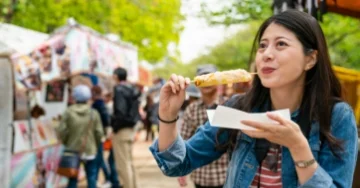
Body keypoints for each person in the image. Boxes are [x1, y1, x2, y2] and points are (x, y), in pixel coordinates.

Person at [149, 10, 358, 188]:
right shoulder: (238, 107)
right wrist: (167, 116)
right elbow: (178, 164)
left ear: (310, 59)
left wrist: (298, 146)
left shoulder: (336, 116)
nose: (266, 54)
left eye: (281, 44)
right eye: (263, 46)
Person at [177, 65, 228, 188]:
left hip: (225, 175)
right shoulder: (191, 109)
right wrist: (181, 170)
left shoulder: (229, 105)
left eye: (210, 78)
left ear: (218, 82)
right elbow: (184, 141)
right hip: (200, 176)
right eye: (203, 78)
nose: (207, 82)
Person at [57, 85, 104, 188]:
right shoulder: (93, 113)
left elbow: (61, 130)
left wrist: (67, 142)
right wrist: (94, 146)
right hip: (90, 150)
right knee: (91, 178)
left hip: (72, 149)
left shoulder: (68, 112)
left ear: (74, 97)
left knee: (72, 178)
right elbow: (99, 133)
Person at [111, 67, 141, 188]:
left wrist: (115, 127)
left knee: (123, 165)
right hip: (131, 129)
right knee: (129, 162)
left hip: (122, 130)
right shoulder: (132, 89)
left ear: (116, 76)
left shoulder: (119, 89)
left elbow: (120, 112)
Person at [91, 86, 121, 188]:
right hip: (105, 135)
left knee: (102, 159)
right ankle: (111, 180)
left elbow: (105, 121)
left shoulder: (98, 105)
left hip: (100, 136)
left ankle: (111, 180)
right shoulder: (103, 105)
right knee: (105, 159)